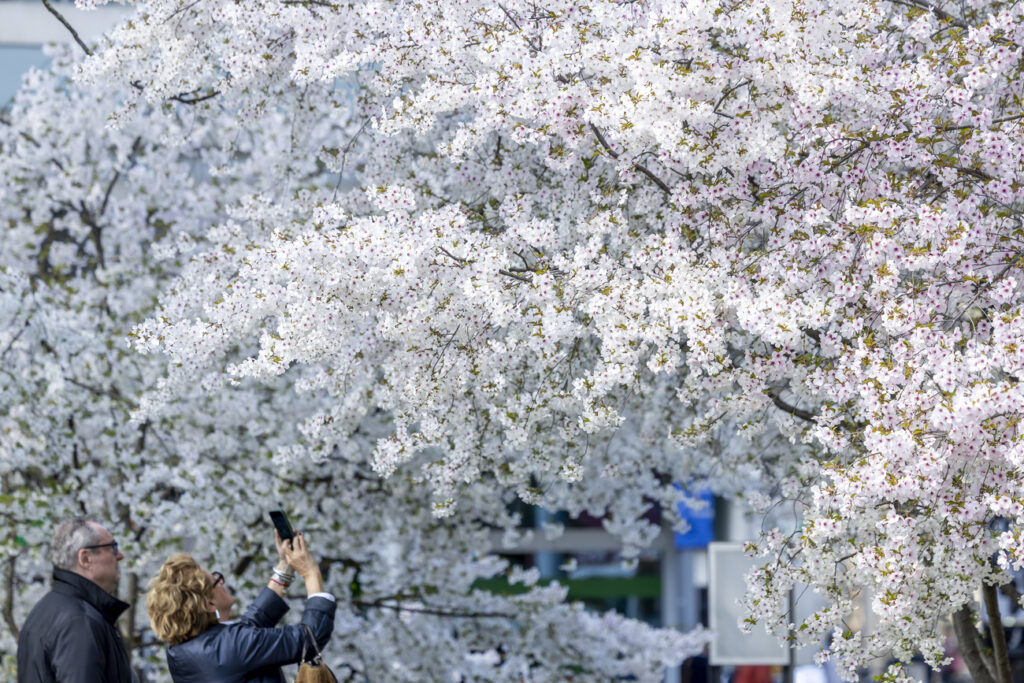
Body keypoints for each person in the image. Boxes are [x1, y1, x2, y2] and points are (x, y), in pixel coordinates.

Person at [147, 529, 335, 683]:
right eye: (216, 581)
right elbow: (310, 637)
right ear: (210, 604)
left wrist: (285, 565)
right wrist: (311, 572)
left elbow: (249, 627)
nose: (222, 582)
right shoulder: (233, 646)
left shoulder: (179, 651)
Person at [17, 516, 135, 683]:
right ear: (85, 558)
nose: (120, 555)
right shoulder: (79, 621)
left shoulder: (48, 610)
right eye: (112, 548)